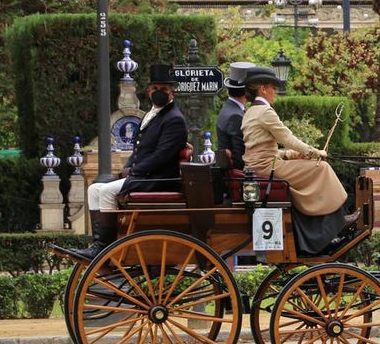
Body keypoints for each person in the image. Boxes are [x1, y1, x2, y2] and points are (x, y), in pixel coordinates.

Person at [64, 63, 189, 259]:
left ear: (172, 92)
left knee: (106, 191)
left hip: (158, 178)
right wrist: (127, 167)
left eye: (164, 89)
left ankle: (105, 247)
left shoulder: (174, 119)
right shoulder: (151, 115)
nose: (159, 93)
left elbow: (162, 156)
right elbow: (139, 150)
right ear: (148, 92)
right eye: (155, 89)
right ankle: (98, 243)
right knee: (94, 189)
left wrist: (134, 171)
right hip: (144, 174)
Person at [241, 66, 359, 253]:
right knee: (321, 168)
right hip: (268, 168)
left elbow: (261, 149)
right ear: (263, 88)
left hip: (261, 166)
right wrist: (313, 152)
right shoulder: (265, 112)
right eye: (273, 87)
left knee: (313, 166)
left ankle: (319, 226)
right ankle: (337, 220)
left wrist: (290, 154)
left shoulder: (250, 112)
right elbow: (287, 138)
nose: (276, 92)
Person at [215, 61, 255, 170]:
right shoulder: (235, 116)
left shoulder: (228, 108)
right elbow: (239, 157)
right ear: (247, 91)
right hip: (236, 177)